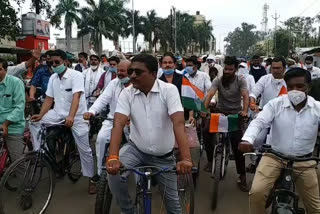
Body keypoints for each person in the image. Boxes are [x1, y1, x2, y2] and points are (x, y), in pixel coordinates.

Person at [106, 54, 192, 214]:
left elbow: (178, 123)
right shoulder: (127, 93)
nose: (132, 75)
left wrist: (185, 158)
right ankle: (128, 210)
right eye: (130, 71)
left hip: (164, 157)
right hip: (136, 150)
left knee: (174, 208)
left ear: (153, 73)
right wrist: (113, 157)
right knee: (113, 176)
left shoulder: (169, 90)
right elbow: (118, 123)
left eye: (138, 72)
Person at [239, 67, 320, 214]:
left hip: (305, 161)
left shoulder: (317, 108)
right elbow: (259, 122)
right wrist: (247, 139)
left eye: (300, 86)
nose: (295, 90)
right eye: (291, 87)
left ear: (309, 86)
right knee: (257, 192)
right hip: (274, 156)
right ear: (286, 87)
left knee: (315, 207)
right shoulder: (275, 104)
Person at [29, 50, 96, 194]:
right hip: (58, 114)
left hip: (77, 116)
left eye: (56, 62)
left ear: (65, 61)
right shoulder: (53, 78)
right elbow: (49, 99)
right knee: (33, 122)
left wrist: (71, 117)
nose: (53, 65)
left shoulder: (76, 75)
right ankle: (40, 153)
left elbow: (76, 97)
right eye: (51, 63)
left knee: (85, 150)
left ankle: (91, 178)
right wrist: (41, 115)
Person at [204, 56, 249, 191]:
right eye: (226, 69)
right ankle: (211, 160)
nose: (228, 71)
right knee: (206, 132)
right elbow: (210, 94)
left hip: (235, 114)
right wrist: (204, 109)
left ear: (235, 70)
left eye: (231, 69)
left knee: (238, 145)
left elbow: (245, 96)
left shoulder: (241, 80)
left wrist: (245, 111)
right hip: (220, 112)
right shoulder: (218, 80)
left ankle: (242, 176)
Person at [83, 60, 131, 175]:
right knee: (100, 139)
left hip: (131, 123)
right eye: (118, 70)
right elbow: (103, 99)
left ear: (130, 71)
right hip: (112, 120)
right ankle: (100, 173)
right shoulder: (114, 83)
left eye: (123, 71)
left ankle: (139, 180)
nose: (119, 73)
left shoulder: (137, 85)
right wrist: (92, 112)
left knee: (136, 147)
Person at [0, 58, 26, 164]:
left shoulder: (16, 82)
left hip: (12, 127)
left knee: (18, 162)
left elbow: (19, 107)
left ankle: (24, 180)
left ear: (6, 70)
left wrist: (6, 124)